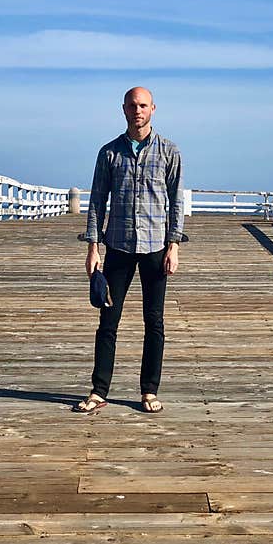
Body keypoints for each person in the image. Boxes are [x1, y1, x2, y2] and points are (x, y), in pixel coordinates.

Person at [73, 86, 185, 414]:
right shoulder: (109, 153)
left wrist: (174, 246)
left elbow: (177, 201)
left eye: (144, 105)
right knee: (108, 320)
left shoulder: (169, 151)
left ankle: (149, 391)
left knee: (155, 322)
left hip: (156, 246)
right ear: (123, 109)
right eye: (132, 105)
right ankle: (99, 391)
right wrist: (93, 248)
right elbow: (96, 201)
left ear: (153, 109)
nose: (138, 110)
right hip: (118, 246)